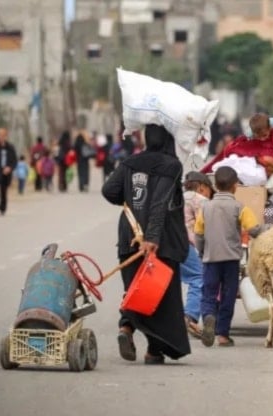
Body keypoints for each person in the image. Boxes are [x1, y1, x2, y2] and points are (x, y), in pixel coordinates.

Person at [102, 124, 190, 364]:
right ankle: (153, 351)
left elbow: (109, 190)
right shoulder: (171, 166)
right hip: (158, 240)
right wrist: (151, 238)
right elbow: (159, 203)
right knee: (158, 294)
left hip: (129, 234)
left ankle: (126, 330)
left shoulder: (131, 162)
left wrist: (130, 197)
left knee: (135, 289)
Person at [194, 166, 267, 347]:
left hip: (211, 259)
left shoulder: (205, 207)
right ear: (235, 186)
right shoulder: (239, 207)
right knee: (227, 296)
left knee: (208, 294)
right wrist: (268, 231)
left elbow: (198, 234)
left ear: (215, 185)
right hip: (231, 260)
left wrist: (202, 252)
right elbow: (254, 230)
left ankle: (209, 316)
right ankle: (223, 335)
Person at [181, 171, 214, 338]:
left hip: (165, 244)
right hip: (185, 245)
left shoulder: (178, 197)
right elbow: (205, 227)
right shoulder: (200, 200)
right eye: (209, 190)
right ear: (202, 187)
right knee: (198, 277)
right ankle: (191, 317)